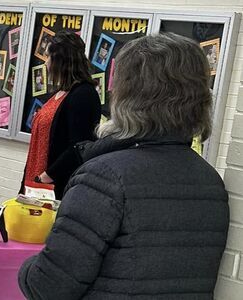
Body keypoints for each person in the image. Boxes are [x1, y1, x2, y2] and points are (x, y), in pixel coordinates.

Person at [18, 32, 228, 300]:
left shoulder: (103, 178)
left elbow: (47, 286)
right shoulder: (210, 181)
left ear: (128, 93)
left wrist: (23, 265)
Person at [20, 30, 101, 199]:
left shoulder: (83, 94)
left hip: (55, 187)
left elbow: (80, 146)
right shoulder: (62, 92)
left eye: (49, 57)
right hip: (36, 183)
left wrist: (46, 177)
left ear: (62, 61)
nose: (46, 63)